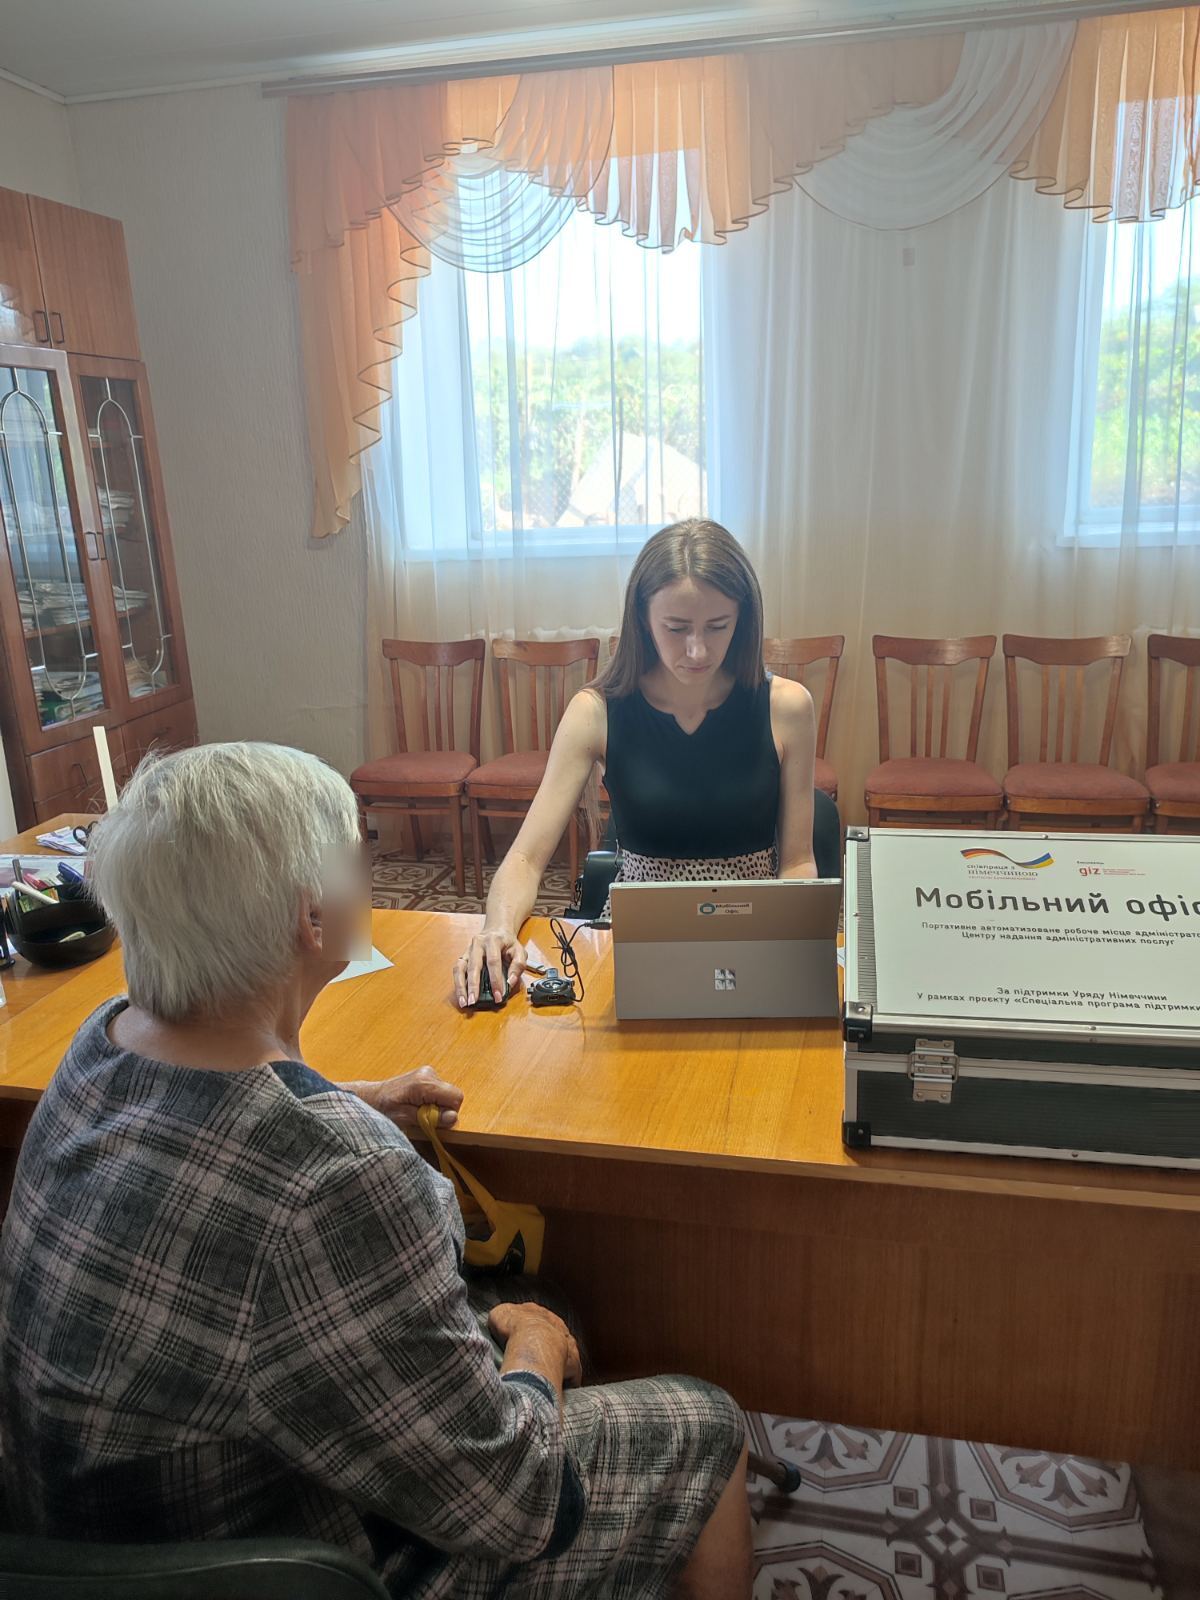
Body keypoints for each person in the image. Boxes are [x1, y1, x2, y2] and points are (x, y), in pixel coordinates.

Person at [0, 743, 751, 1599]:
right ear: (314, 920)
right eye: (361, 853)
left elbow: (207, 1118)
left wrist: (348, 1098)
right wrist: (537, 1344)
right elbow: (520, 1504)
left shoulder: (99, 1042)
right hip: (286, 1575)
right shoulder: (339, 1180)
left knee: (524, 1302)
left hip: (83, 1546)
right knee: (702, 1419)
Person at [456, 518, 817, 1008]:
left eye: (718, 627)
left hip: (748, 932)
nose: (697, 650)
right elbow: (525, 857)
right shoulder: (596, 711)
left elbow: (797, 861)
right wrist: (497, 927)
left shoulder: (786, 707)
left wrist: (792, 941)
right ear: (642, 619)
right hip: (637, 941)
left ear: (744, 618)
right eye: (676, 628)